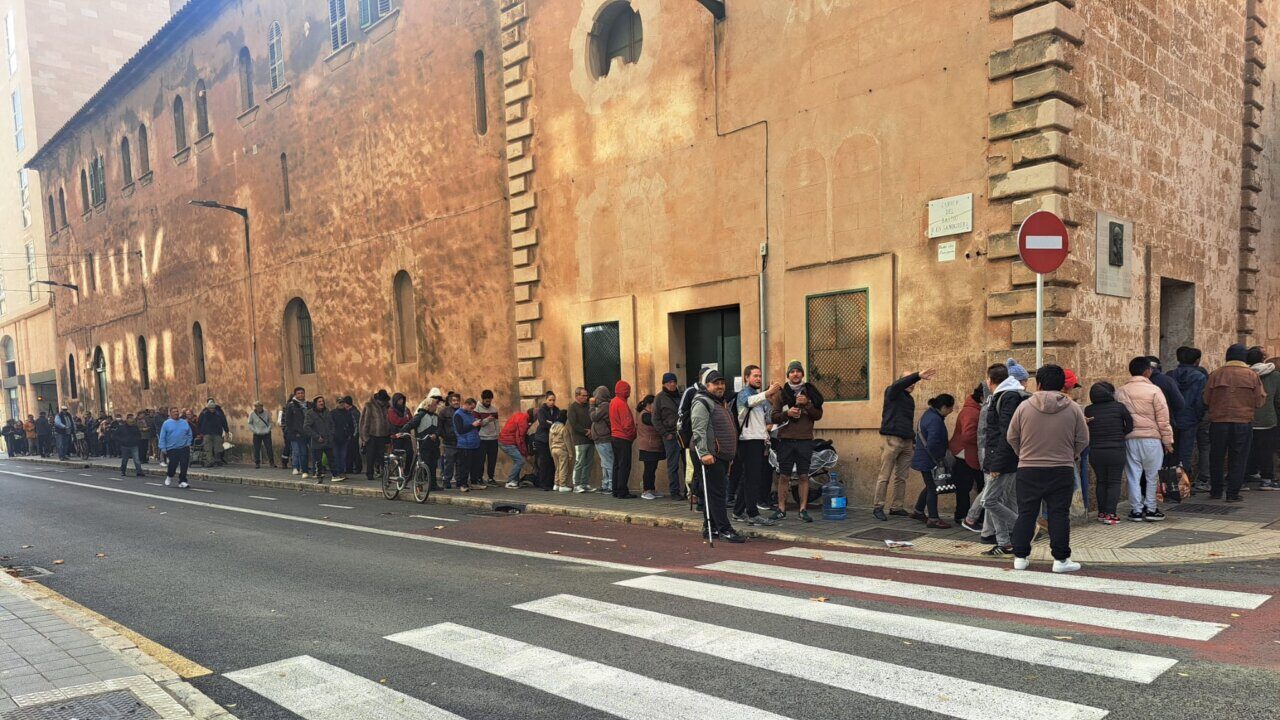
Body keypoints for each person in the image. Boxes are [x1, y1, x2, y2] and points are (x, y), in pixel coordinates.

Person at [1006, 364, 1089, 573]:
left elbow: (1012, 437)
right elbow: (1083, 438)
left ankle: (1020, 557)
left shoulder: (1024, 407)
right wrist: (1072, 455)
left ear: (1038, 383)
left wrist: (1023, 454)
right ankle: (1061, 560)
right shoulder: (1072, 408)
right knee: (1059, 514)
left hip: (1028, 468)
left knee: (1026, 513)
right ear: (1062, 385)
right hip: (1061, 467)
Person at [872, 366, 937, 521]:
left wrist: (913, 441)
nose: (912, 384)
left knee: (901, 477)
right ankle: (878, 507)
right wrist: (918, 375)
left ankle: (896, 507)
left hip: (907, 441)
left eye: (914, 382)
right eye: (909, 380)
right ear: (901, 381)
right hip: (891, 439)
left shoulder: (909, 399)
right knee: (884, 475)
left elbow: (907, 421)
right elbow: (898, 385)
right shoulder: (892, 392)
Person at [981, 359, 1030, 556]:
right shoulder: (1011, 396)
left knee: (989, 500)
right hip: (1012, 458)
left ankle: (1024, 527)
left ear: (990, 380)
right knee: (1007, 500)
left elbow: (1005, 434)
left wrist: (996, 464)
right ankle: (1005, 542)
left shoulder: (1006, 397)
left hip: (1003, 459)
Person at [1116, 356, 1173, 522]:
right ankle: (1151, 508)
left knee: (1133, 475)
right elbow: (1163, 418)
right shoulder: (1155, 391)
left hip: (1130, 438)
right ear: (1148, 371)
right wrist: (1167, 441)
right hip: (1151, 439)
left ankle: (1136, 510)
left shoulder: (1120, 391)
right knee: (1152, 475)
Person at [691, 368, 745, 543]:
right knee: (717, 493)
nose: (720, 386)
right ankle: (725, 529)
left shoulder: (721, 402)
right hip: (710, 455)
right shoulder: (702, 402)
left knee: (713, 492)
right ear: (707, 385)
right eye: (716, 383)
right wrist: (705, 453)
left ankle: (711, 527)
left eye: (722, 383)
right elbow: (698, 430)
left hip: (721, 455)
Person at [767, 361, 826, 522]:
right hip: (785, 440)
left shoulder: (810, 392)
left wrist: (806, 404)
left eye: (798, 371)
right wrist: (788, 414)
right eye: (792, 372)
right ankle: (781, 509)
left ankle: (803, 509)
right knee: (784, 476)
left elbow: (818, 415)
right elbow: (773, 416)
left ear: (802, 374)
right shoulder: (781, 393)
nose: (795, 374)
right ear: (788, 375)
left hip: (805, 440)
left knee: (803, 475)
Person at [733, 365, 778, 525]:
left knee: (748, 478)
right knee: (752, 479)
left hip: (758, 441)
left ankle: (738, 512)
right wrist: (767, 393)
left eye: (760, 376)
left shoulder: (759, 397)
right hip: (748, 441)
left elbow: (764, 420)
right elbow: (747, 402)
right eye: (755, 376)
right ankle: (752, 513)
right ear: (746, 378)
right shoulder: (745, 393)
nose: (758, 378)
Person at [1084, 381, 1132, 524]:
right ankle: (1111, 514)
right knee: (1114, 481)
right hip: (1116, 449)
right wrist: (1120, 434)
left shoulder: (1089, 410)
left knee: (1101, 481)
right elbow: (1130, 426)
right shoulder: (1119, 407)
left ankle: (1102, 512)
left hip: (1096, 450)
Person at [910, 394, 955, 528]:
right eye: (950, 408)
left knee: (930, 485)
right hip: (930, 459)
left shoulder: (929, 414)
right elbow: (933, 442)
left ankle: (918, 511)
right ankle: (933, 519)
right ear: (943, 407)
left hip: (924, 457)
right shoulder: (935, 419)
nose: (951, 411)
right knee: (932, 488)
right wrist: (939, 459)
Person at [1170, 346, 1211, 491]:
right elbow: (1200, 400)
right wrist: (1199, 415)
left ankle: (1172, 486)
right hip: (1190, 418)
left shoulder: (1171, 375)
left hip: (1173, 418)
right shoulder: (1199, 377)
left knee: (1172, 452)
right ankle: (1184, 488)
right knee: (1185, 453)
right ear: (1197, 360)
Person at [949, 385, 985, 526]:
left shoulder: (973, 409)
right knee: (967, 487)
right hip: (966, 455)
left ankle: (965, 515)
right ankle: (964, 516)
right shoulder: (971, 411)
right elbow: (968, 435)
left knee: (968, 487)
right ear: (982, 397)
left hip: (968, 454)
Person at [1246, 347, 1279, 490]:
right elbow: (1278, 398)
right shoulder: (1275, 376)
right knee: (1266, 449)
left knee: (1247, 449)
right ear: (1262, 358)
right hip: (1267, 418)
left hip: (1247, 417)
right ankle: (1266, 480)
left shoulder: (1245, 374)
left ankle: (1247, 474)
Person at [403, 389, 445, 490]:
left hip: (434, 444)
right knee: (423, 464)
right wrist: (403, 431)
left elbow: (439, 429)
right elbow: (411, 424)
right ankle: (418, 483)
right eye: (434, 405)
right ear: (429, 406)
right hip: (423, 444)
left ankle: (433, 485)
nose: (436, 407)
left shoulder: (436, 417)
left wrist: (436, 434)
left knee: (433, 465)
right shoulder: (420, 415)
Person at [654, 373, 686, 500]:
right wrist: (665, 434)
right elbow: (655, 419)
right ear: (664, 384)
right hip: (670, 436)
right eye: (669, 382)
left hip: (683, 435)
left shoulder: (681, 396)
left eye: (674, 381)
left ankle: (690, 492)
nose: (672, 384)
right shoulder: (660, 398)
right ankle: (675, 492)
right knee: (673, 465)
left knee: (688, 464)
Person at [608, 380, 637, 499]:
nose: (629, 392)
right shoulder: (622, 403)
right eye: (628, 390)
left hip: (615, 436)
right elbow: (627, 424)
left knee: (617, 464)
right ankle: (622, 490)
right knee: (624, 465)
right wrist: (632, 434)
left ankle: (616, 489)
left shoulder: (613, 402)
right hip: (623, 438)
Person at [635, 394, 666, 500]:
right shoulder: (645, 415)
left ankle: (652, 489)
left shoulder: (649, 414)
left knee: (652, 469)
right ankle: (646, 490)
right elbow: (655, 422)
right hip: (647, 446)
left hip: (653, 446)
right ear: (649, 404)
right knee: (649, 469)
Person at [566, 387, 596, 493]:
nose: (585, 397)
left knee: (589, 462)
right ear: (577, 396)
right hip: (580, 439)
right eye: (583, 396)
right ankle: (576, 484)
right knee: (580, 461)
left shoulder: (588, 407)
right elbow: (574, 424)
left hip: (590, 439)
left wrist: (592, 431)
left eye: (586, 395)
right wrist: (586, 432)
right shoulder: (572, 408)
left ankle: (584, 483)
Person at [360, 389, 393, 484]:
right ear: (378, 399)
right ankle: (369, 473)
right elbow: (364, 422)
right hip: (372, 434)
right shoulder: (369, 406)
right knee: (371, 455)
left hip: (383, 435)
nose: (383, 402)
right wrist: (364, 436)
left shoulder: (387, 406)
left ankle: (384, 472)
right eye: (382, 401)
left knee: (382, 455)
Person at [453, 397, 484, 492]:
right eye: (471, 407)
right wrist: (473, 425)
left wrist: (478, 425)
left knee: (475, 465)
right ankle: (463, 484)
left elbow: (473, 428)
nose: (473, 410)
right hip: (464, 444)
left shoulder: (470, 414)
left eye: (473, 408)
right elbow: (460, 430)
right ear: (466, 404)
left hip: (474, 443)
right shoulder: (458, 414)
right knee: (464, 466)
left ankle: (474, 482)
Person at [303, 395, 336, 483]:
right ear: (315, 403)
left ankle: (335, 475)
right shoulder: (310, 413)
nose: (322, 403)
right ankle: (318, 476)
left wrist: (332, 433)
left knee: (332, 458)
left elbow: (332, 423)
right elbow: (306, 427)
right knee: (317, 460)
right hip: (318, 440)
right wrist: (317, 436)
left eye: (322, 401)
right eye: (319, 401)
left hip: (328, 440)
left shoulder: (327, 411)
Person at [158, 407, 193, 488]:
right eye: (174, 412)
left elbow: (189, 433)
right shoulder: (166, 423)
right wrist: (163, 448)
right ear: (170, 414)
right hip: (172, 448)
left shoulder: (184, 422)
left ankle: (182, 481)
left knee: (184, 464)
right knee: (173, 464)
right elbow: (162, 436)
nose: (176, 413)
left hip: (184, 447)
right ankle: (169, 476)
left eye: (177, 411)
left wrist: (188, 442)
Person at [498, 404, 531, 488]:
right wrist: (525, 453)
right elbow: (520, 438)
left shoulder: (520, 415)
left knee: (518, 460)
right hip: (507, 442)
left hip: (504, 440)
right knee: (520, 460)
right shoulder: (524, 421)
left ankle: (515, 481)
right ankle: (510, 481)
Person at [533, 391, 560, 491]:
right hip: (542, 439)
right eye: (550, 400)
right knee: (544, 461)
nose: (552, 402)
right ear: (546, 400)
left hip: (553, 439)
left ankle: (551, 482)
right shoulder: (542, 410)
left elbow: (560, 422)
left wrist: (550, 423)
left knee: (552, 461)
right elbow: (543, 424)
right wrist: (553, 424)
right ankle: (543, 483)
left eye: (553, 400)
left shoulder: (557, 410)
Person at [589, 386, 614, 493]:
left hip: (604, 438)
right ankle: (605, 484)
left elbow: (594, 417)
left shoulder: (605, 405)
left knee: (608, 462)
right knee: (604, 463)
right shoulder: (602, 406)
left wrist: (591, 405)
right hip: (600, 438)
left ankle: (611, 485)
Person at [475, 390, 501, 486]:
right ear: (483, 399)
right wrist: (486, 420)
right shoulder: (477, 409)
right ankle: (479, 477)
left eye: (490, 401)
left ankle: (491, 477)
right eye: (486, 401)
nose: (488, 403)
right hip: (482, 438)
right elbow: (477, 423)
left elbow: (497, 423)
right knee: (480, 459)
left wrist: (497, 433)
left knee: (492, 459)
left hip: (493, 438)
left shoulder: (494, 409)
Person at [282, 387, 308, 475]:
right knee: (296, 451)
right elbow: (288, 420)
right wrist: (293, 431)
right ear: (295, 395)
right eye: (298, 393)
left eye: (302, 393)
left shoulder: (307, 404)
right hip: (294, 433)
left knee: (304, 451)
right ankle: (295, 467)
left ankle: (302, 467)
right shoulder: (291, 405)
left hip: (304, 432)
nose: (300, 395)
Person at [387, 392, 414, 474]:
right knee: (397, 455)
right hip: (396, 436)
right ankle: (398, 472)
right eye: (399, 400)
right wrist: (406, 420)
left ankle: (407, 471)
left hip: (406, 435)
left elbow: (411, 420)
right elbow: (396, 421)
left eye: (402, 399)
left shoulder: (406, 409)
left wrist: (406, 420)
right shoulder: (391, 410)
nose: (401, 401)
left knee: (410, 453)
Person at [197, 399, 229, 468]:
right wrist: (199, 432)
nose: (212, 409)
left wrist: (226, 431)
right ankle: (210, 461)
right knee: (208, 448)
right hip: (207, 433)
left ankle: (217, 460)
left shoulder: (219, 413)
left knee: (218, 447)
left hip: (217, 432)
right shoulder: (204, 413)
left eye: (213, 408)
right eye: (210, 408)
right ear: (208, 408)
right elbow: (199, 422)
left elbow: (224, 422)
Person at [330, 397, 356, 482]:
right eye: (339, 402)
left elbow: (352, 425)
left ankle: (343, 471)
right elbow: (330, 425)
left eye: (342, 402)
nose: (341, 404)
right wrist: (332, 434)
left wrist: (350, 434)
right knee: (336, 455)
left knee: (343, 456)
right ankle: (337, 472)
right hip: (335, 438)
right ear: (336, 403)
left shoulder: (348, 413)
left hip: (345, 438)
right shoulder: (332, 413)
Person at [439, 392, 460, 488]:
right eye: (454, 400)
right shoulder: (444, 412)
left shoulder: (462, 411)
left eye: (458, 400)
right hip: (449, 441)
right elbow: (440, 426)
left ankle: (459, 481)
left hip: (460, 441)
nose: (456, 402)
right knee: (449, 463)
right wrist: (445, 436)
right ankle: (446, 481)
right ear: (450, 402)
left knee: (460, 463)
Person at [549, 408, 572, 492]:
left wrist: (551, 449)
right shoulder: (564, 428)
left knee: (557, 467)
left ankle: (556, 484)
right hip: (562, 450)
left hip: (553, 449)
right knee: (563, 467)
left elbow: (550, 440)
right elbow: (567, 442)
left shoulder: (552, 428)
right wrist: (570, 453)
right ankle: (562, 485)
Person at [248, 401, 275, 469]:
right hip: (257, 433)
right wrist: (254, 430)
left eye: (259, 406)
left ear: (262, 406)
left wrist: (268, 429)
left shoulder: (266, 412)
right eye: (256, 406)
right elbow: (249, 423)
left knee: (269, 448)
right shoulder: (252, 414)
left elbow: (270, 422)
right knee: (256, 448)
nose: (258, 408)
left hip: (266, 433)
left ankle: (271, 462)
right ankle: (257, 463)